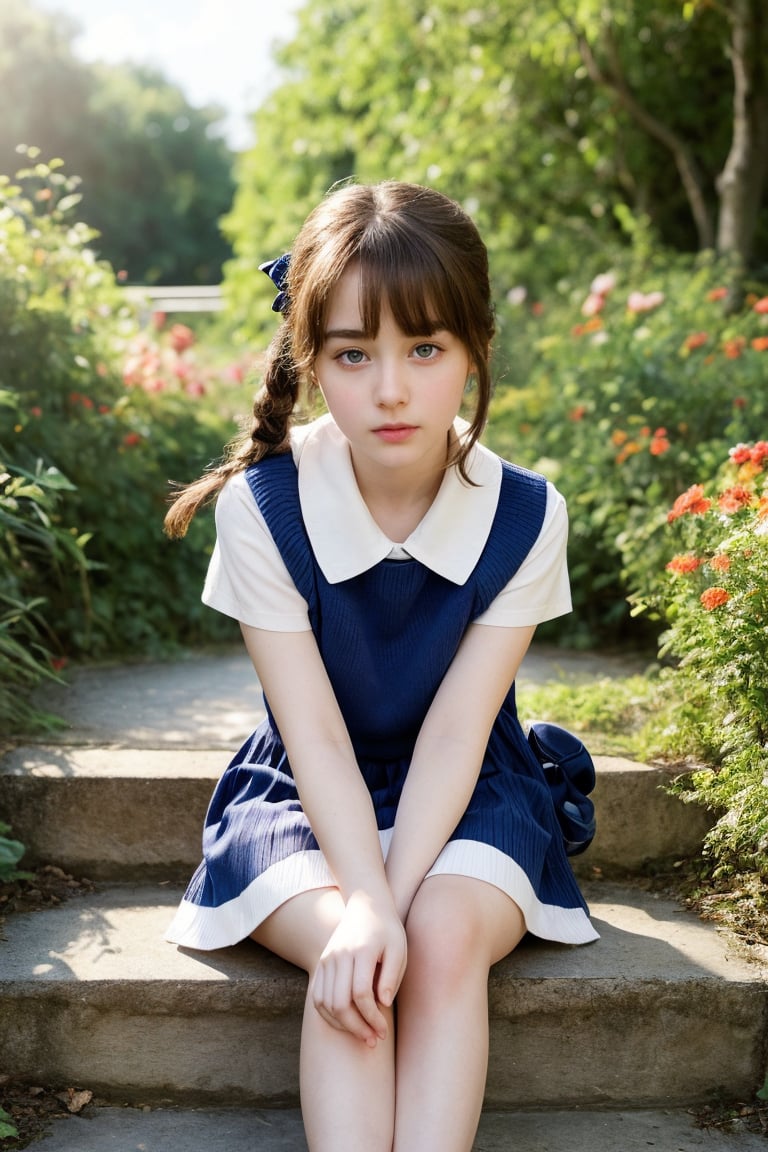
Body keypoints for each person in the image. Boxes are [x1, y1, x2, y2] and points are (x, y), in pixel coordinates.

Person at [164, 180, 598, 1152]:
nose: (391, 389)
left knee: (438, 944)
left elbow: (455, 731)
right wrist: (362, 906)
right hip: (303, 790)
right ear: (311, 359)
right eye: (354, 354)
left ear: (475, 346)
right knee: (350, 961)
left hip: (473, 786)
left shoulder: (526, 515)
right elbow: (312, 733)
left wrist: (393, 904)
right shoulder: (263, 510)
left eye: (425, 349)